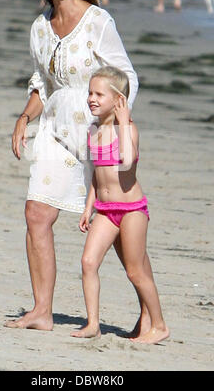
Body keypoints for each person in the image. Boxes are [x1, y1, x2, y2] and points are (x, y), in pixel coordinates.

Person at [4, 0, 139, 331]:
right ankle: (42, 311)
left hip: (96, 138)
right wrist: (24, 118)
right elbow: (42, 84)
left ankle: (151, 315)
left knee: (116, 232)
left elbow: (126, 77)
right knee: (36, 214)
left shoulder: (99, 22)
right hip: (55, 133)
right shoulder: (40, 27)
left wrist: (117, 123)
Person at [71, 66, 169, 344]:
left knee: (135, 270)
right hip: (105, 209)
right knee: (88, 261)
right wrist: (88, 206)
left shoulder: (128, 129)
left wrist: (124, 123)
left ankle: (159, 325)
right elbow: (95, 175)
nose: (91, 98)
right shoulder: (93, 130)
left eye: (99, 94)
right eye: (90, 92)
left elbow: (127, 162)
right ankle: (92, 324)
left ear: (118, 100)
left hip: (131, 210)